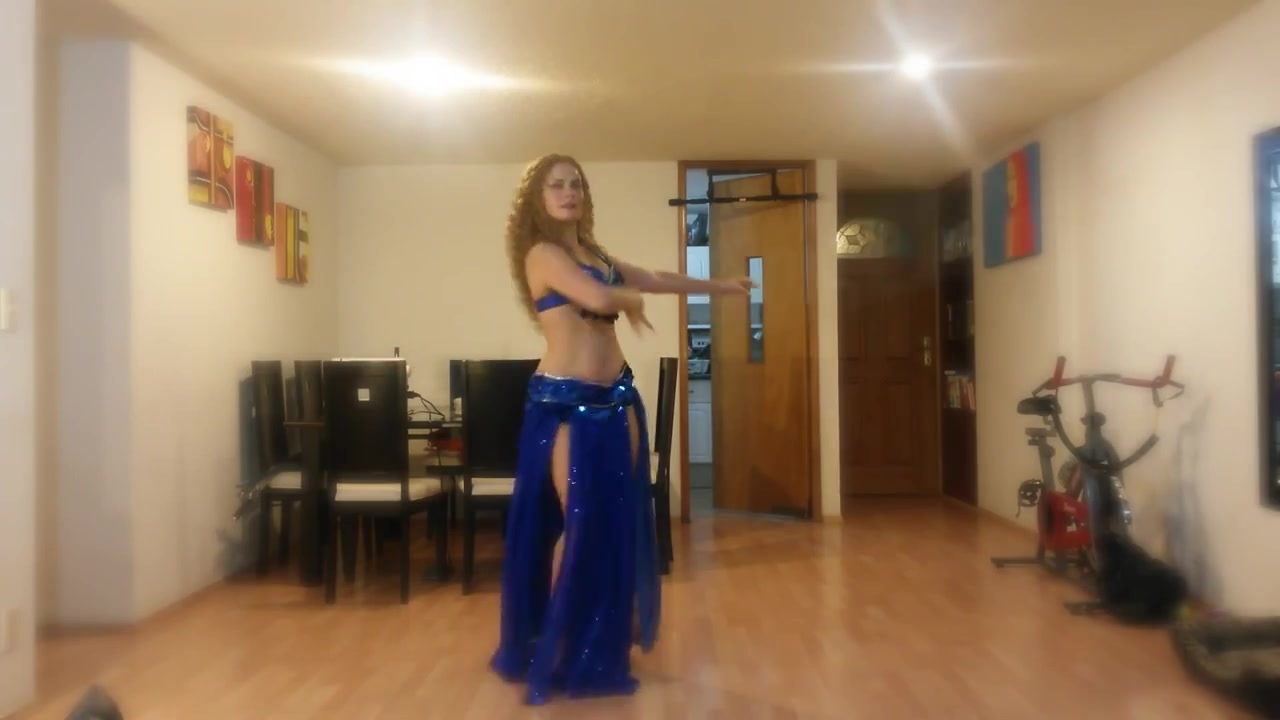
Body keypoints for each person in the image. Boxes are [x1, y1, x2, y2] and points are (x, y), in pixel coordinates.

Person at [489, 154, 754, 705]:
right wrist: (628, 301)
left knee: (614, 519)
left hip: (617, 398)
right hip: (564, 403)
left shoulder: (597, 255)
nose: (569, 192)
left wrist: (720, 286)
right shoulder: (542, 253)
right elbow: (597, 298)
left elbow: (655, 277)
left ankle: (601, 640)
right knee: (580, 520)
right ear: (537, 199)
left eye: (576, 184)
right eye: (556, 185)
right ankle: (560, 642)